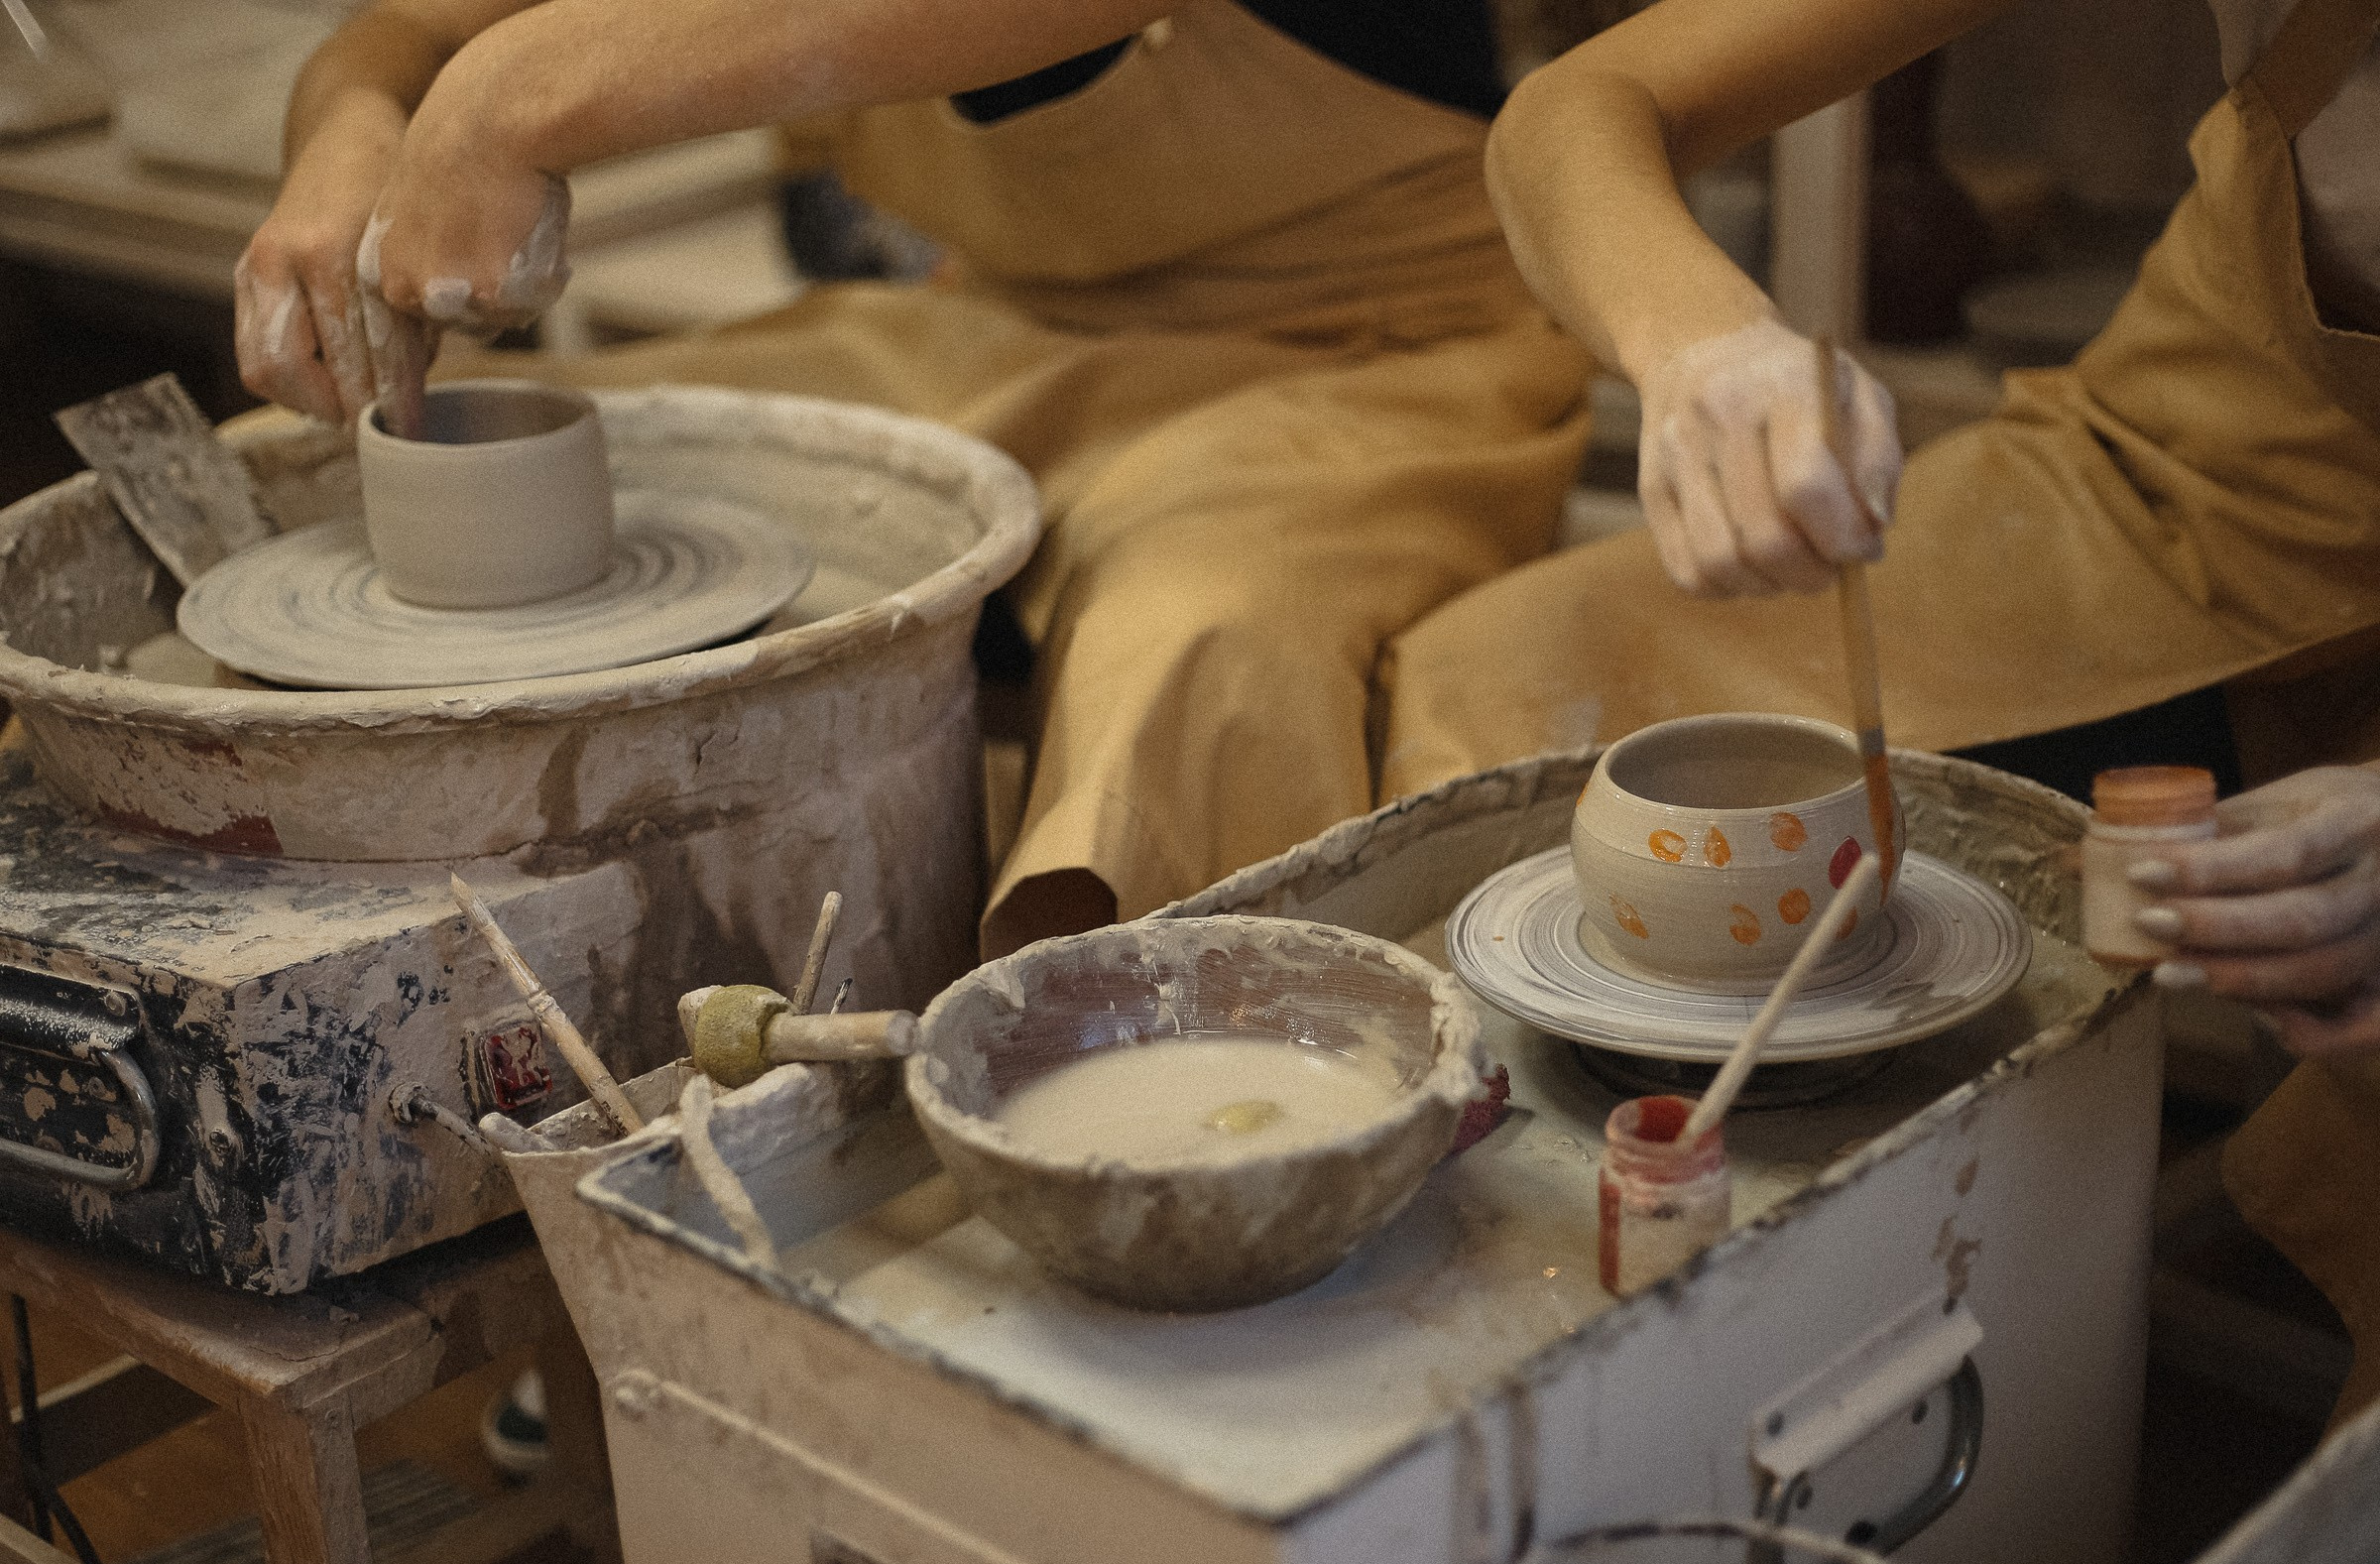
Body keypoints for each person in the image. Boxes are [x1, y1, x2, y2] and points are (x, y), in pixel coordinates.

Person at [1379, 0, 2380, 1417]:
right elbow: (1582, 107)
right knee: (1504, 687)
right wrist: (1699, 342)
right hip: (2208, 481)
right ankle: (1592, 1377)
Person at [232, 0, 1599, 956]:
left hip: (1370, 340)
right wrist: (354, 126)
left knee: (1194, 653)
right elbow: (406, 32)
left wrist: (519, 89)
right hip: (993, 322)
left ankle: (1164, 1146)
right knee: (282, 495)